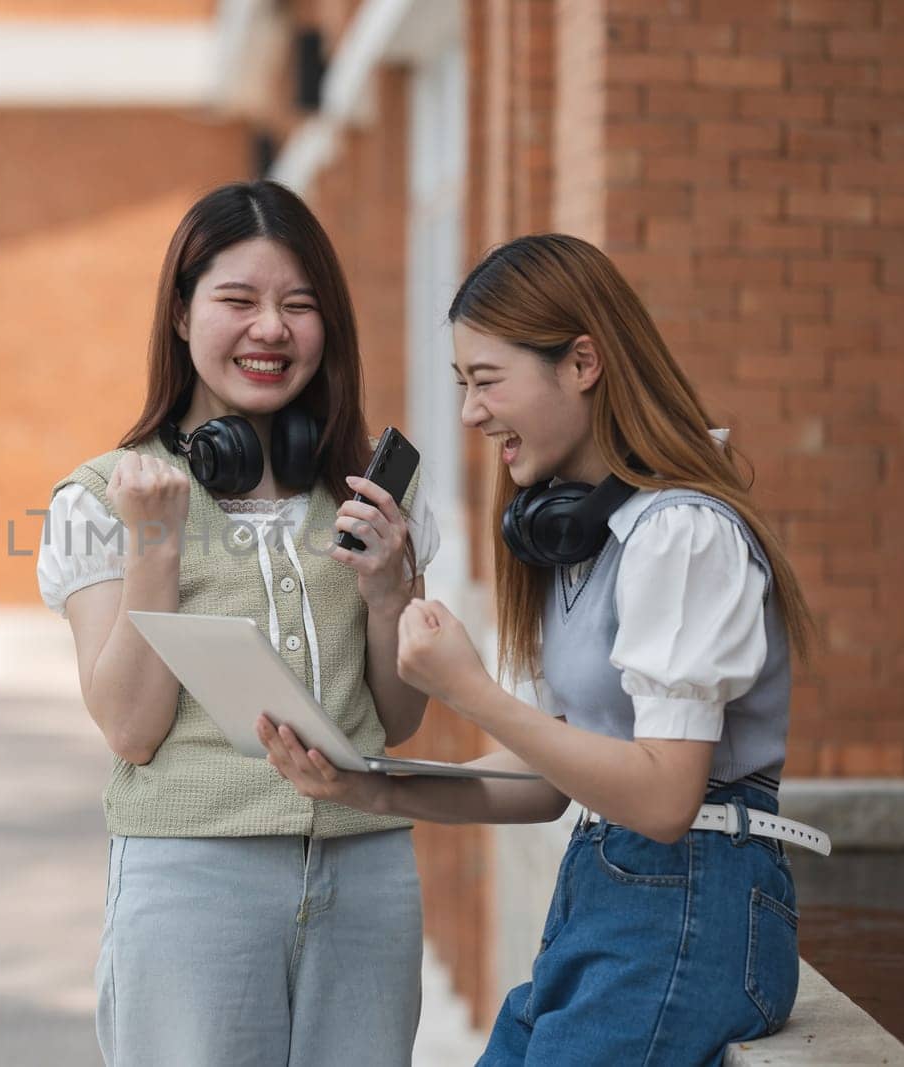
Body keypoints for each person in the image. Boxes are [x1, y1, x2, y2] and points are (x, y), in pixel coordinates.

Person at [258, 233, 826, 1066]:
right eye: (461, 384)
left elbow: (668, 798)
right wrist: (362, 786)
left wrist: (471, 692)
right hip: (605, 899)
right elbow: (546, 789)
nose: (470, 413)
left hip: (693, 900)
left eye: (487, 380)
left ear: (583, 362)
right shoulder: (578, 539)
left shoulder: (683, 536)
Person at [35, 180, 440, 1066]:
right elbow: (131, 729)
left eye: (300, 305)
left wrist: (385, 596)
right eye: (238, 301)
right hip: (193, 880)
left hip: (367, 873)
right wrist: (156, 549)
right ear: (181, 316)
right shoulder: (103, 497)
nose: (272, 328)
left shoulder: (372, 495)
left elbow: (399, 721)